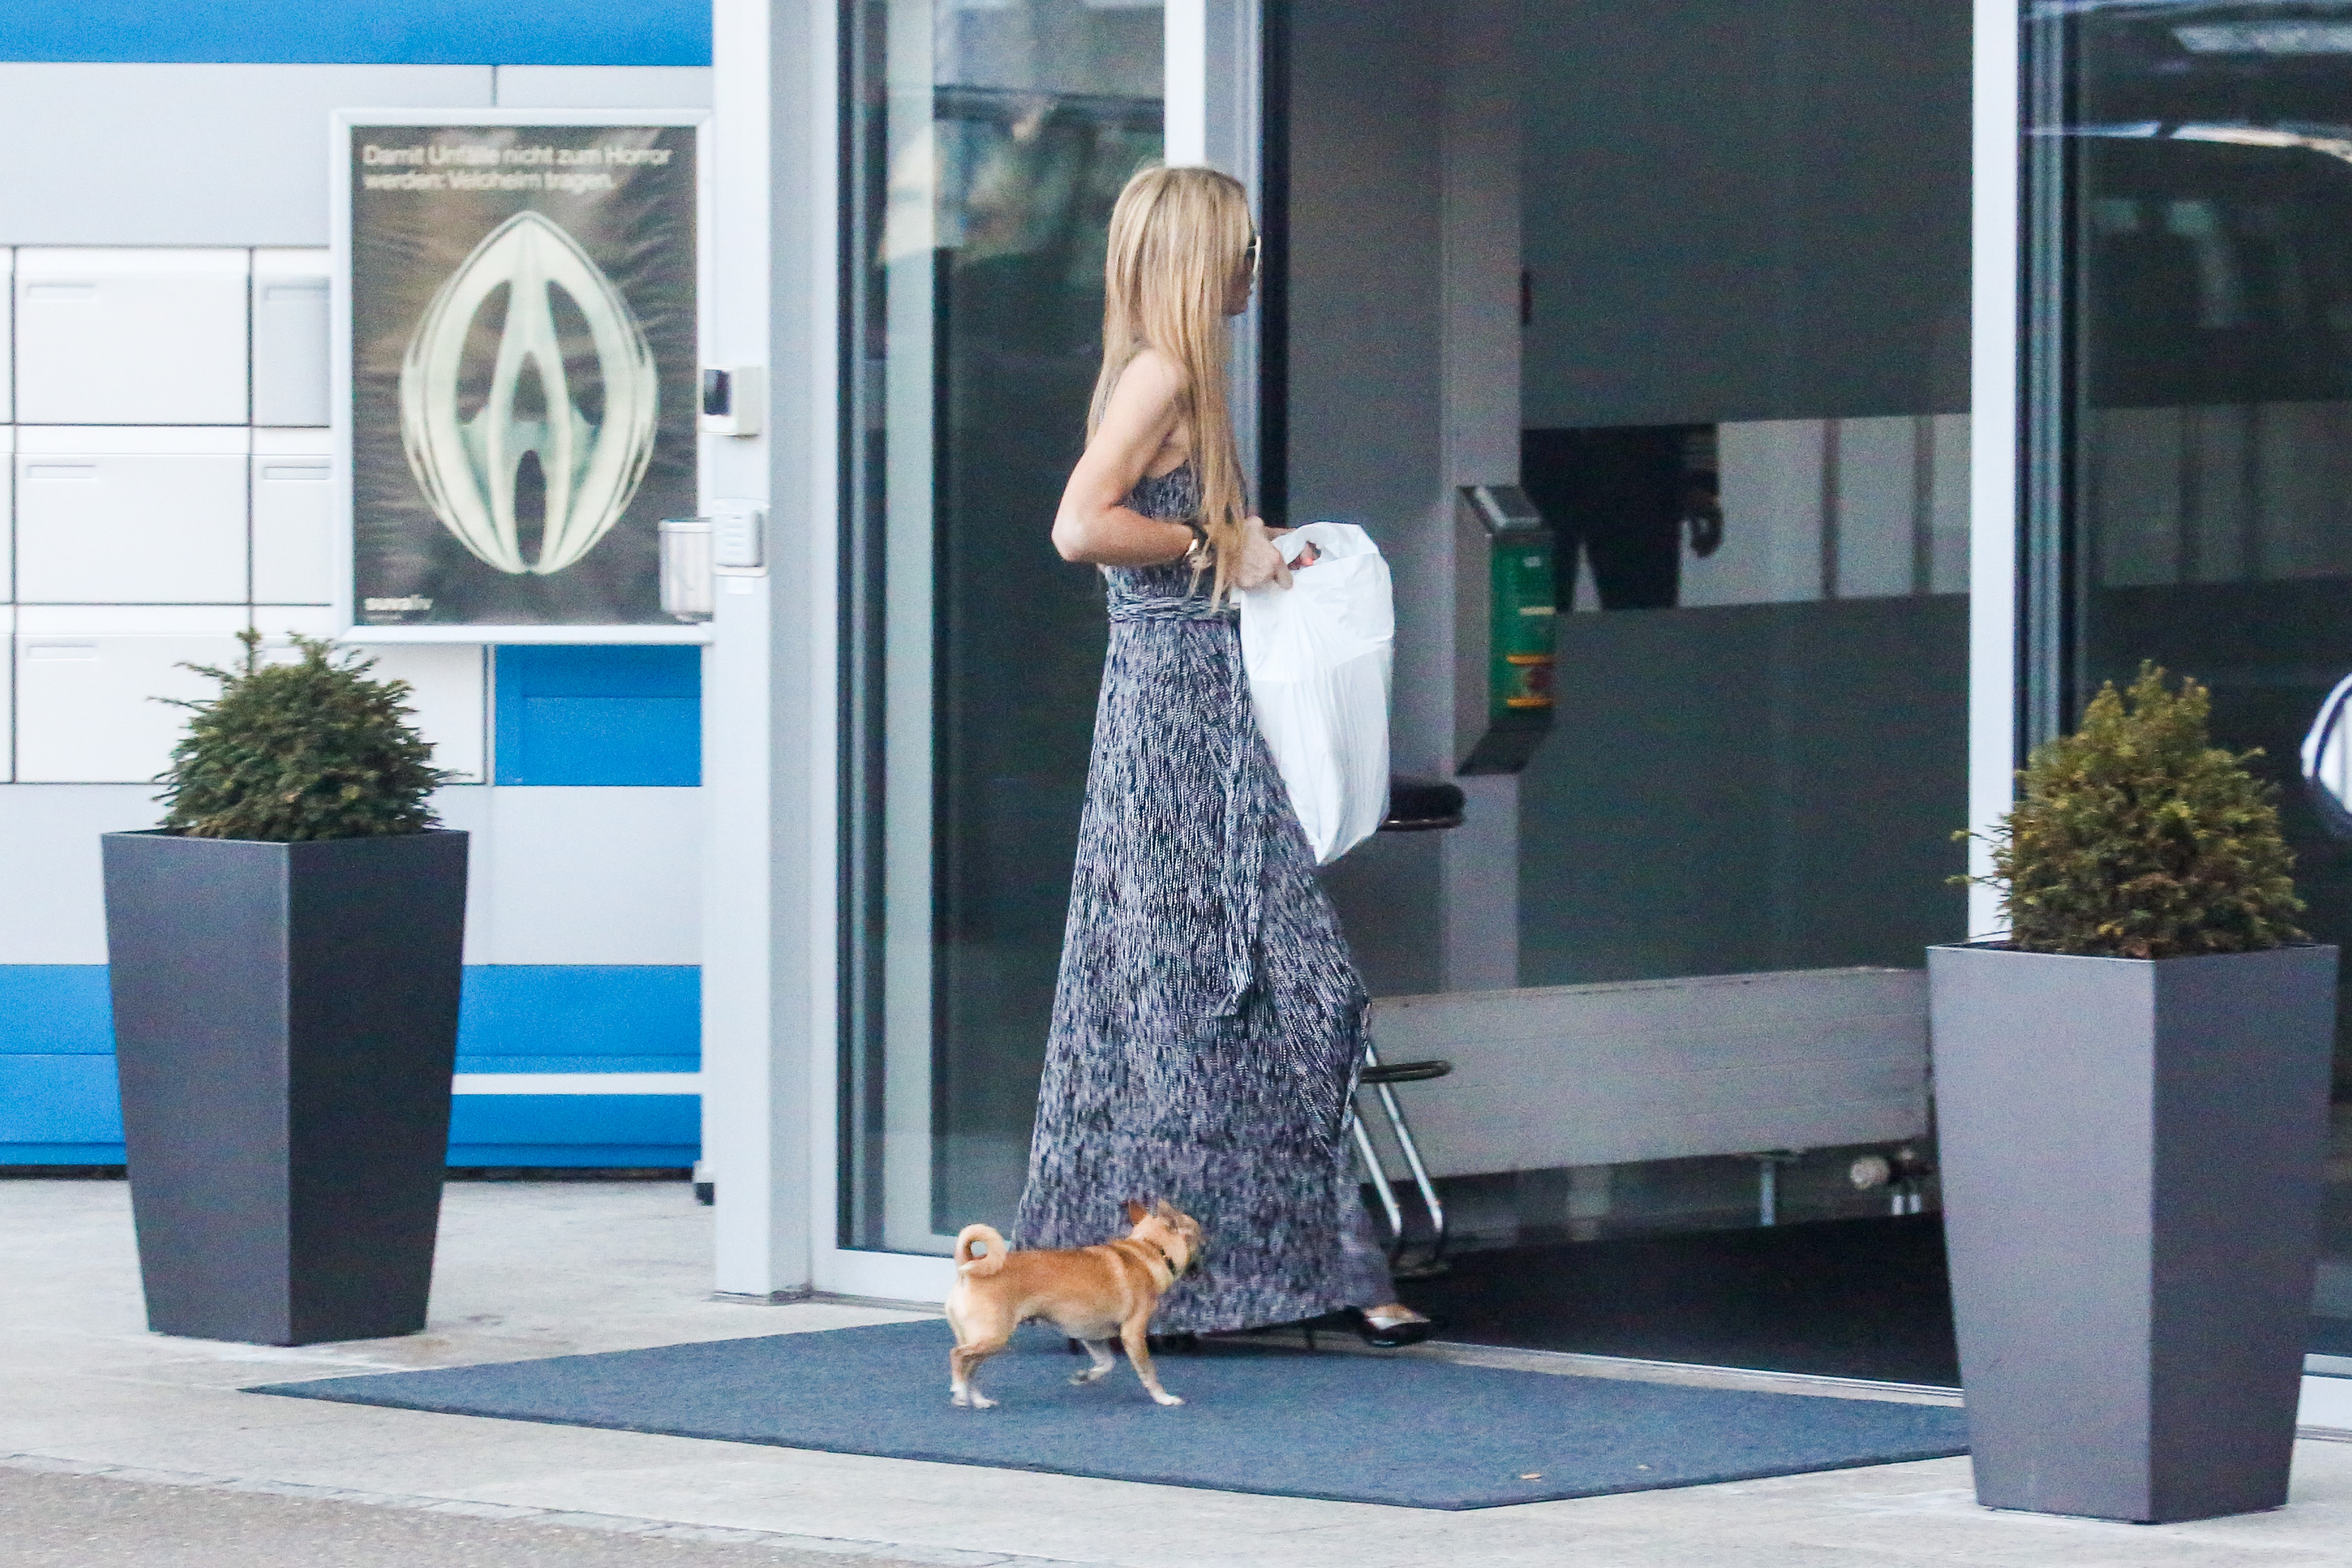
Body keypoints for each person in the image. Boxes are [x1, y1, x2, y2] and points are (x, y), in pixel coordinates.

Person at [1009, 163, 1433, 1349]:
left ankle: (1272, 1272)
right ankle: (1281, 1275)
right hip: (1176, 720)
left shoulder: (1169, 375)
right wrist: (1216, 545)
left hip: (1194, 707)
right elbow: (1081, 525)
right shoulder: (1161, 375)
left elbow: (1162, 533)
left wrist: (1254, 544)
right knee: (1246, 994)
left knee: (1220, 1000)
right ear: (1202, 259)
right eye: (1243, 246)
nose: (1255, 265)